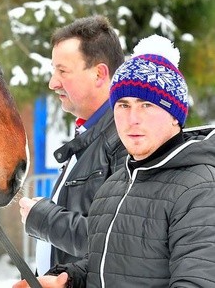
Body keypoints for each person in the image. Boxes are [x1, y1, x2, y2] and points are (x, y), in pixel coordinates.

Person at [14, 34, 215, 288]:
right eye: (122, 105)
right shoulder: (117, 184)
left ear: (175, 115)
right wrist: (67, 281)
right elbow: (109, 262)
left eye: (146, 105)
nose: (133, 119)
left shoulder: (200, 189)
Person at [18, 15, 127, 274]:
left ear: (99, 74)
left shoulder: (125, 140)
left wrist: (43, 218)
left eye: (62, 71)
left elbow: (117, 241)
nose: (52, 83)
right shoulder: (91, 135)